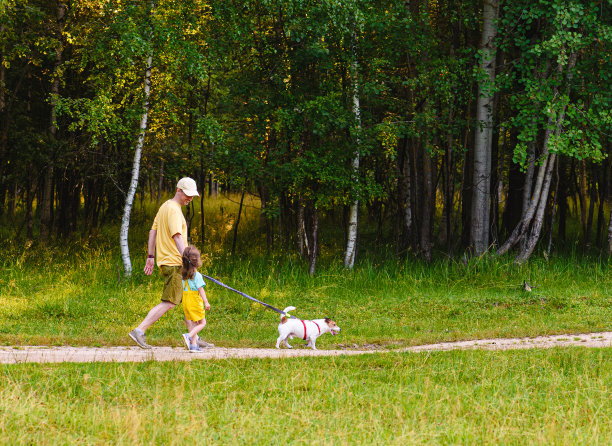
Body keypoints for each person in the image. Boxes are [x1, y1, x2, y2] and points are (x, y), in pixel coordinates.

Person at [128, 177, 214, 349]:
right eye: (187, 195)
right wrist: (189, 260)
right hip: (175, 262)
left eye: (192, 195)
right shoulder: (174, 210)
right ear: (178, 190)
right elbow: (177, 237)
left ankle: (193, 338)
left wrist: (151, 256)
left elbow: (153, 231)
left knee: (187, 300)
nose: (190, 198)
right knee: (170, 301)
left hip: (168, 261)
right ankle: (139, 330)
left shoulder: (165, 206)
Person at [180, 245, 211, 352]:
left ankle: (193, 346)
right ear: (196, 262)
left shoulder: (183, 275)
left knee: (193, 324)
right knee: (202, 323)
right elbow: (201, 290)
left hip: (186, 302)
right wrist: (206, 302)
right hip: (194, 302)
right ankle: (189, 336)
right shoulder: (197, 276)